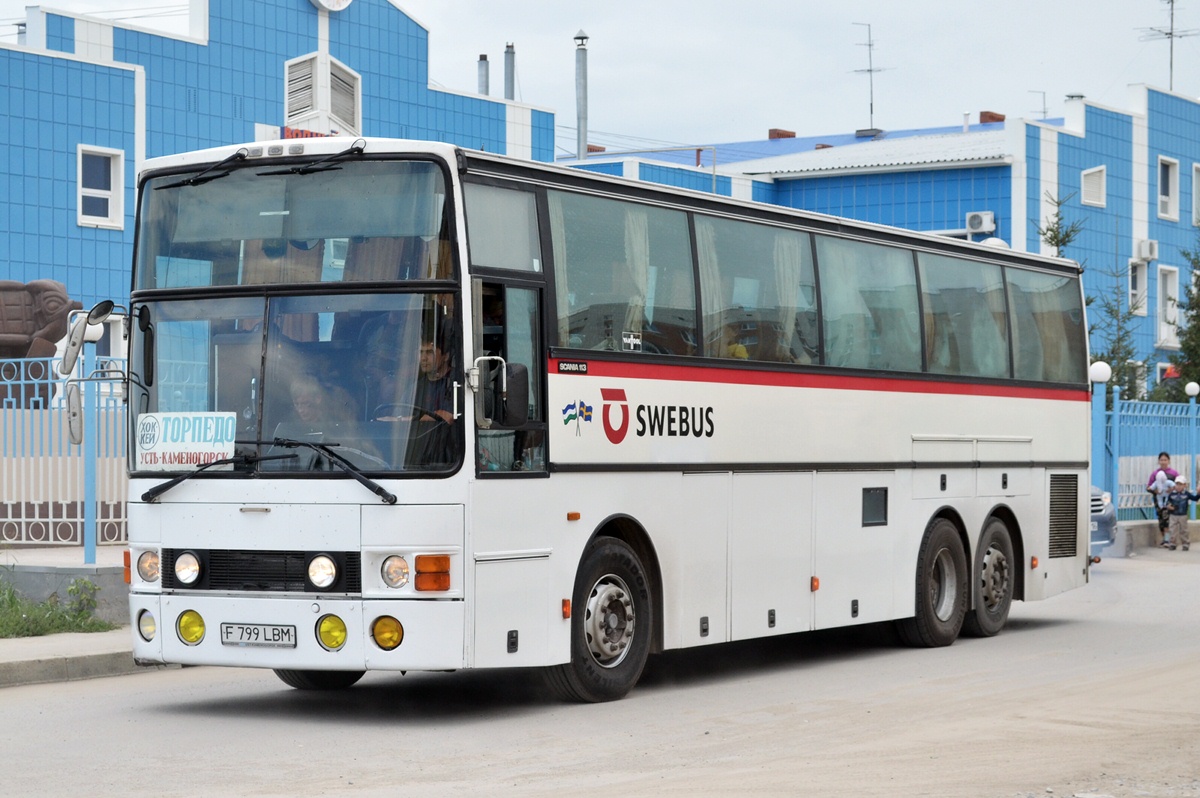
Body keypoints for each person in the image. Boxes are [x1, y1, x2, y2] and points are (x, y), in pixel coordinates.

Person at [415, 332, 454, 423]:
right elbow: (400, 411)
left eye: (429, 352)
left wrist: (408, 419)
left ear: (446, 356)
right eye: (421, 352)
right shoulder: (417, 386)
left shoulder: (457, 381)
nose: (423, 358)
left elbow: (447, 416)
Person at [1148, 452, 1180, 546]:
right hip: (1158, 499)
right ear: (1159, 461)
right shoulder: (1155, 474)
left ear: (1168, 461)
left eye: (1165, 460)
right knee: (1161, 519)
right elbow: (1149, 487)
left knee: (1166, 518)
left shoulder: (1174, 473)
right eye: (1161, 460)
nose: (1163, 462)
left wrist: (1172, 489)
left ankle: (1167, 540)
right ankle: (1165, 538)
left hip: (1170, 499)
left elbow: (1179, 485)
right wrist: (1155, 491)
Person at [1164, 476, 1197, 551]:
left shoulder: (1186, 494)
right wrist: (1169, 506)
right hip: (1173, 514)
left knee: (1183, 530)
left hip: (1183, 515)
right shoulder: (1172, 494)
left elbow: (1195, 498)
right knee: (1172, 529)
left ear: (1184, 485)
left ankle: (1185, 544)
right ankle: (1172, 543)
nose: (1178, 486)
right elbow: (1168, 502)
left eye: (1180, 485)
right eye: (1177, 484)